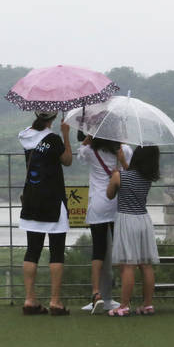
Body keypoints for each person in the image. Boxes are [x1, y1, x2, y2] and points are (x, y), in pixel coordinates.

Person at [18, 110, 74, 315]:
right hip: (53, 200)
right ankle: (55, 301)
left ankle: (30, 299)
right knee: (56, 251)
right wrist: (66, 133)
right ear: (53, 116)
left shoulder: (25, 136)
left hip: (31, 199)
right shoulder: (53, 139)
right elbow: (67, 160)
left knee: (32, 250)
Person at [74, 130, 133, 313]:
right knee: (121, 251)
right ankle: (124, 300)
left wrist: (89, 137)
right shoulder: (124, 150)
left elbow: (79, 154)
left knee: (98, 251)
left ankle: (96, 293)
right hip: (118, 203)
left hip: (99, 204)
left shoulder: (91, 151)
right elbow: (130, 170)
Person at [107, 145, 161, 316]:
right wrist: (123, 163)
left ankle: (123, 305)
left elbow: (110, 195)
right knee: (146, 265)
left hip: (126, 219)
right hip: (143, 220)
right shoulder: (148, 178)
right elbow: (134, 176)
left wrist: (116, 174)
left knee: (128, 265)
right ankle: (147, 304)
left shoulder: (119, 176)